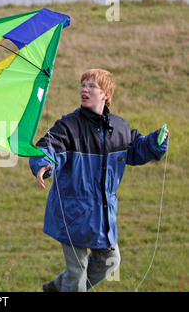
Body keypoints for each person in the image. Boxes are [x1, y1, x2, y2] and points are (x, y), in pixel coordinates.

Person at [29, 68, 169, 292]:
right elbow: (48, 146)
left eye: (92, 86)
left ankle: (56, 289)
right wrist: (44, 164)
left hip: (103, 214)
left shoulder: (121, 128)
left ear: (106, 94)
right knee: (77, 273)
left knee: (110, 261)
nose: (85, 89)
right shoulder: (68, 126)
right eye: (83, 85)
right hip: (71, 213)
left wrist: (154, 142)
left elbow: (136, 150)